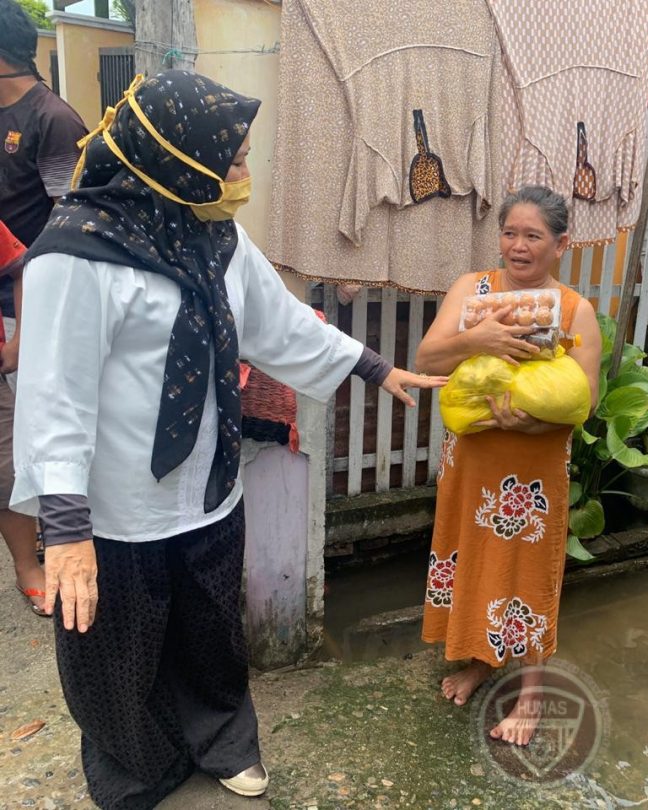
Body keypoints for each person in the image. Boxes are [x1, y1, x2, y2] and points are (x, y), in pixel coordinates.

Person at [10, 71, 444, 809]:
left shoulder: (214, 231)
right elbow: (55, 396)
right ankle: (136, 770)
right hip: (114, 506)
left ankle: (222, 741)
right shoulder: (72, 257)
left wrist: (373, 367)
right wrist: (67, 529)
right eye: (233, 158)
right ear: (172, 156)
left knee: (212, 636)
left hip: (208, 485)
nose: (243, 173)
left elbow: (276, 323)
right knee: (118, 653)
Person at [415, 186, 601, 747]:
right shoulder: (471, 290)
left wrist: (531, 426)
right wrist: (480, 337)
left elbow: (585, 401)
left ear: (561, 243)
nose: (517, 247)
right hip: (472, 458)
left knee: (527, 570)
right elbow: (427, 358)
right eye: (509, 233)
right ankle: (479, 659)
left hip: (534, 465)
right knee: (472, 558)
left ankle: (532, 695)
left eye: (533, 236)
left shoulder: (574, 310)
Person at [0, 0, 86, 615]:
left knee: (29, 438)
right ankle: (30, 556)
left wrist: (34, 322)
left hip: (26, 300)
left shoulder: (52, 118)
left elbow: (71, 221)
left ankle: (49, 551)